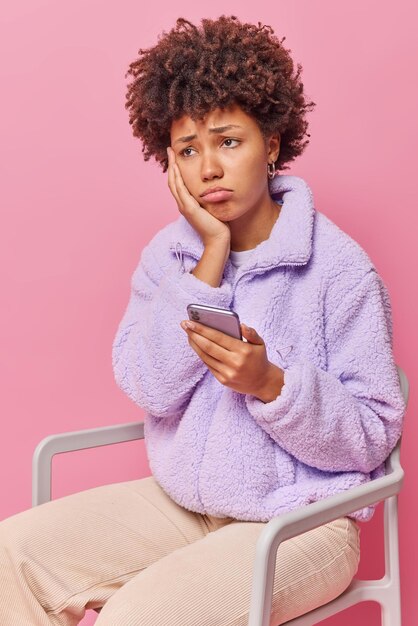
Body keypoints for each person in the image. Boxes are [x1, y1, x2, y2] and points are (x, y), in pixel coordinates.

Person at [0, 14, 406, 626]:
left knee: (138, 618)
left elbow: (374, 434)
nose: (208, 167)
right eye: (189, 150)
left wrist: (273, 386)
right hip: (184, 504)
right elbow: (150, 388)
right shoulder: (170, 257)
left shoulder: (339, 270)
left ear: (271, 143)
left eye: (228, 141)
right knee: (11, 559)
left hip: (304, 523)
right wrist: (209, 259)